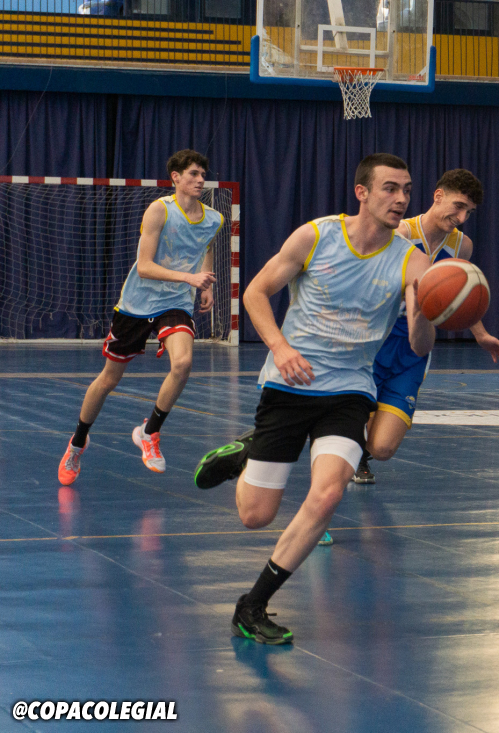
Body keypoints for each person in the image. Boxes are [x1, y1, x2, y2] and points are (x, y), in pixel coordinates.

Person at [192, 153, 434, 644]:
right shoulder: (316, 236)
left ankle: (252, 605)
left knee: (327, 495)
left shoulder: (413, 260)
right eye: (390, 188)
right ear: (362, 192)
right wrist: (280, 348)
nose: (401, 199)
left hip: (350, 391)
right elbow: (255, 293)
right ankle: (245, 453)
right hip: (291, 384)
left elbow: (419, 343)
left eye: (407, 190)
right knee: (255, 516)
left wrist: (429, 310)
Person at [57, 149, 221, 485]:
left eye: (203, 174)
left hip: (175, 302)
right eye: (193, 173)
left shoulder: (214, 219)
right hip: (137, 303)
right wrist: (190, 278)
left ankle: (149, 432)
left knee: (183, 364)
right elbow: (144, 267)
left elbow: (206, 245)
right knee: (108, 380)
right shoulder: (160, 210)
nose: (200, 180)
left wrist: (205, 283)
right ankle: (77, 443)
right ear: (176, 177)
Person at [351, 169, 499, 486]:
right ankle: (342, 442)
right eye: (458, 206)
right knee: (347, 418)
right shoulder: (399, 233)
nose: (461, 218)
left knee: (383, 448)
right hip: (374, 336)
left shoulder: (462, 246)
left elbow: (459, 297)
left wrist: (481, 334)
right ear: (438, 196)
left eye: (469, 212)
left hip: (415, 343)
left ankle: (359, 448)